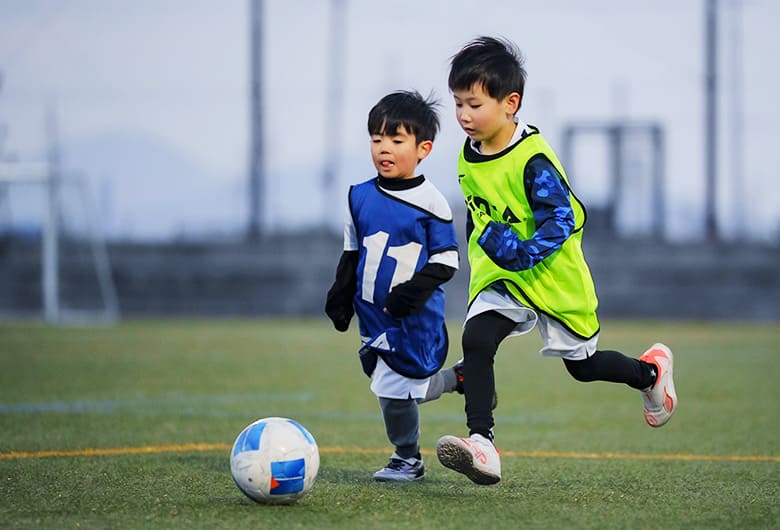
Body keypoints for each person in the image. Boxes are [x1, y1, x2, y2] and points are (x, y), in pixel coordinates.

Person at [435, 36, 678, 486]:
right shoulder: (467, 157)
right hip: (502, 277)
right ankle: (482, 444)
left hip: (553, 278)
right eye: (458, 104)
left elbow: (562, 221)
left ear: (510, 104)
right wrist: (481, 250)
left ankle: (649, 373)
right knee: (477, 339)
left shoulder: (533, 160)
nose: (464, 115)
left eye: (474, 104)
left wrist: (520, 251)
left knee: (583, 367)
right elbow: (478, 215)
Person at [325, 90, 463, 482]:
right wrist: (340, 296)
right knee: (399, 385)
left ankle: (408, 459)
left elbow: (447, 260)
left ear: (423, 149)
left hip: (413, 318)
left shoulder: (432, 201)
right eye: (377, 139)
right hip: (373, 315)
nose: (384, 148)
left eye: (396, 140)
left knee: (394, 388)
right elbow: (352, 251)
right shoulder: (359, 196)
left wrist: (409, 295)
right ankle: (458, 378)